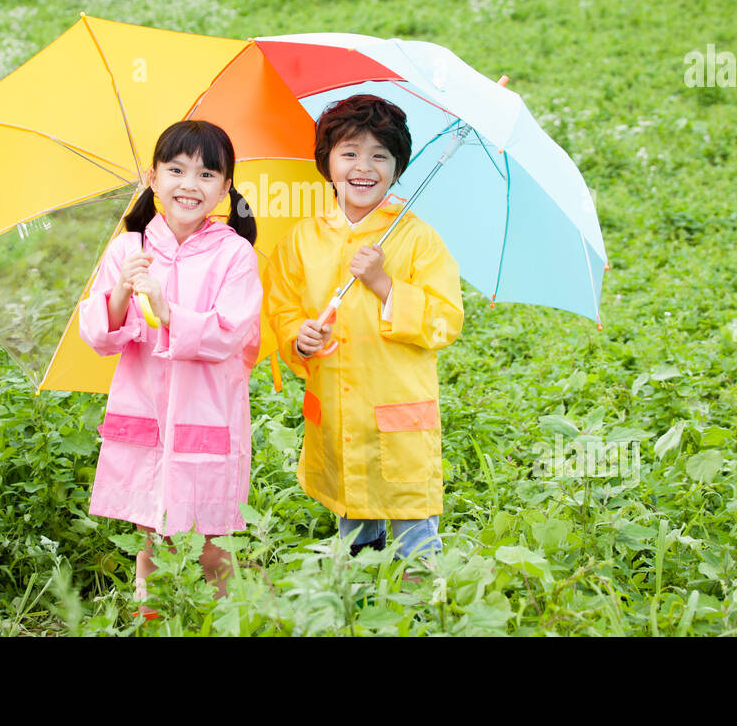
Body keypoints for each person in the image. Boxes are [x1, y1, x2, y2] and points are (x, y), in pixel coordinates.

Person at [264, 94, 463, 564]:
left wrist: (383, 283)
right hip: (337, 414)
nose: (364, 167)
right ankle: (358, 603)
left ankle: (419, 606)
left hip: (398, 417)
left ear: (397, 169)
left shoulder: (416, 238)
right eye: (349, 153)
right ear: (327, 162)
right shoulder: (303, 238)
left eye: (380, 156)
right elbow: (283, 305)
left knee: (412, 533)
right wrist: (299, 337)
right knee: (354, 523)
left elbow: (444, 320)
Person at [78, 120, 260, 611]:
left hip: (208, 416)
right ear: (153, 178)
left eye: (206, 175)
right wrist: (120, 292)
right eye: (176, 170)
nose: (189, 185)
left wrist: (166, 306)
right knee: (152, 533)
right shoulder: (127, 249)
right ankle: (151, 616)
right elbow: (97, 334)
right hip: (146, 415)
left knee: (211, 542)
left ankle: (222, 617)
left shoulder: (235, 254)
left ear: (225, 188)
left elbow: (229, 333)